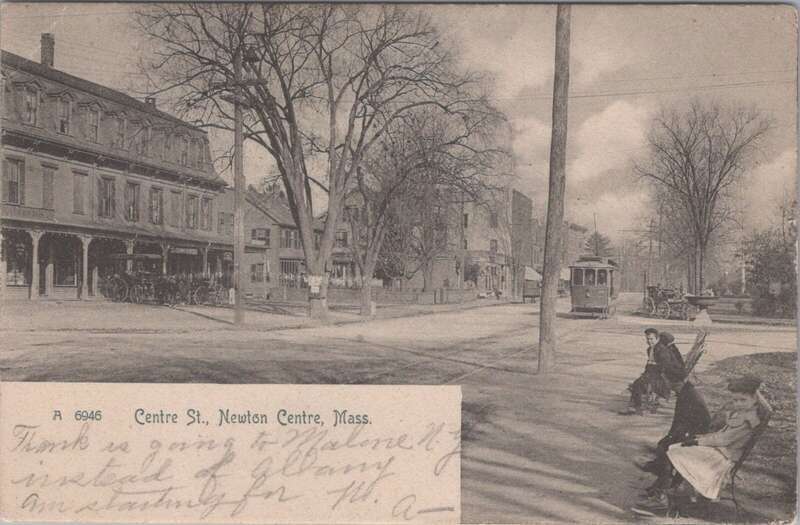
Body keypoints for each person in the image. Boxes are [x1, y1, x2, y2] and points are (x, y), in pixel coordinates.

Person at [631, 375, 763, 516]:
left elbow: (724, 439)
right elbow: (720, 435)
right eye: (735, 400)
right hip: (719, 451)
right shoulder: (743, 413)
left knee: (676, 451)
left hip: (723, 457)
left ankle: (662, 496)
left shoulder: (749, 420)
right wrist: (702, 437)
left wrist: (698, 441)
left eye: (743, 400)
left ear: (754, 398)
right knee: (676, 448)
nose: (738, 404)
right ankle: (663, 490)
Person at [619, 331, 686, 415]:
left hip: (667, 377)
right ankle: (635, 407)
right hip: (665, 374)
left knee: (638, 384)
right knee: (639, 382)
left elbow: (665, 367)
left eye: (651, 339)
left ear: (658, 339)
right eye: (647, 339)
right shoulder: (656, 349)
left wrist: (651, 373)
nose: (649, 341)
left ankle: (636, 408)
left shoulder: (662, 350)